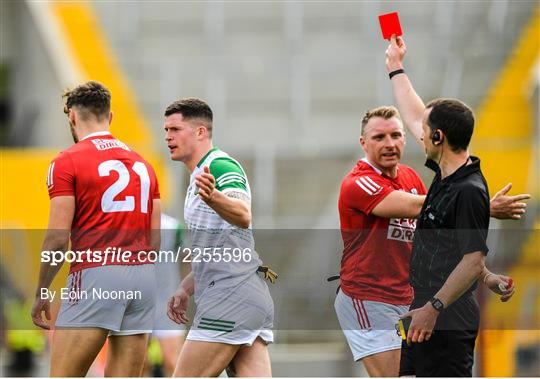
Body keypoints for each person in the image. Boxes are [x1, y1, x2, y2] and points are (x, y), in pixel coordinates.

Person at [335, 105, 520, 376]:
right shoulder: (358, 183)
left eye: (396, 135)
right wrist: (485, 206)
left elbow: (441, 238)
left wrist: (485, 275)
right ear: (363, 143)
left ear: (406, 139)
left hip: (410, 299)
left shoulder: (411, 177)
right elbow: (416, 207)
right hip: (369, 298)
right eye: (379, 137)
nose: (389, 144)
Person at [385, 35, 524, 376]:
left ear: (439, 138)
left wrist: (433, 308)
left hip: (444, 318)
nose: (419, 133)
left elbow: (472, 258)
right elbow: (417, 115)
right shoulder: (447, 175)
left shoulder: (468, 189)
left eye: (426, 131)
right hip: (424, 310)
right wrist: (395, 67)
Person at [30, 81, 161, 376]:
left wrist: (42, 290)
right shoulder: (144, 164)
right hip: (143, 278)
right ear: (110, 116)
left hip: (96, 272)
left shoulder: (67, 161)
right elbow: (155, 241)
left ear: (72, 117)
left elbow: (56, 239)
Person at [164, 98, 275, 377]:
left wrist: (214, 197)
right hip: (246, 294)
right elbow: (218, 248)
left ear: (200, 132)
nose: (168, 136)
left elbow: (243, 214)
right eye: (166, 130)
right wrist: (186, 288)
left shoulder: (220, 166)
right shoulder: (198, 176)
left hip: (229, 296)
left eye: (175, 129)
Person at [147, 213, 186, 376]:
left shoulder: (173, 226)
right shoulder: (124, 223)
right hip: (136, 301)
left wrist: (184, 290)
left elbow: (187, 258)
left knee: (172, 362)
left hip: (167, 302)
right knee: (138, 364)